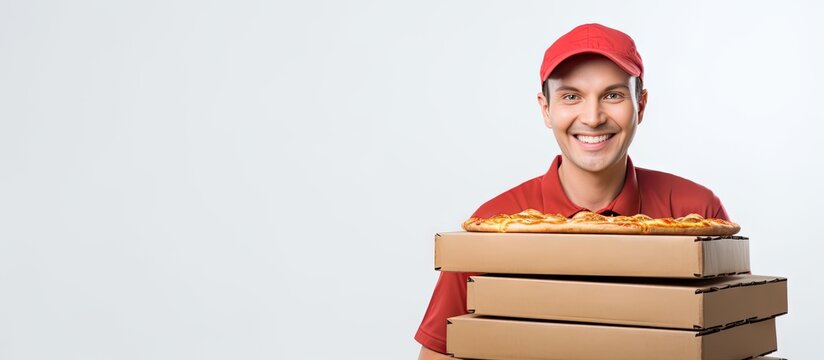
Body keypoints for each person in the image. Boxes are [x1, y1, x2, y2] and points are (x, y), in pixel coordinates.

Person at [415, 23, 731, 359]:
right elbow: (438, 353)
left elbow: (733, 341)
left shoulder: (696, 213)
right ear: (546, 109)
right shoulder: (492, 226)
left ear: (641, 104)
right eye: (571, 96)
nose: (593, 118)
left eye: (613, 95)